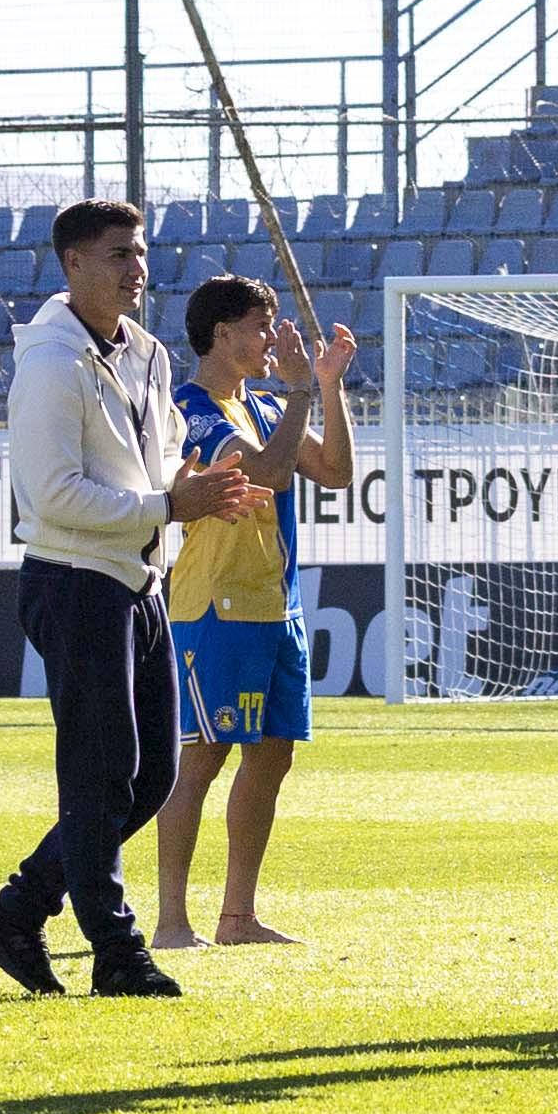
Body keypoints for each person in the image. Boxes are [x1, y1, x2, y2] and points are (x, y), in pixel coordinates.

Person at [0, 201, 264, 1000]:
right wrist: (169, 506)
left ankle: (18, 909)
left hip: (138, 578)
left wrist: (190, 489)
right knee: (101, 777)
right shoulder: (49, 363)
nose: (136, 269)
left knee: (150, 776)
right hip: (73, 580)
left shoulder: (147, 352)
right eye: (117, 254)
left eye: (139, 252)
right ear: (72, 264)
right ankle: (116, 951)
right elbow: (51, 496)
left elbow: (160, 458)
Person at [149, 275, 357, 952]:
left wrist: (326, 386)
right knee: (201, 760)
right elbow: (265, 474)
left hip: (276, 605)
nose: (273, 339)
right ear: (222, 334)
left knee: (271, 759)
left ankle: (237, 917)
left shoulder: (266, 406)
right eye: (261, 326)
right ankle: (171, 921)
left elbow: (335, 471)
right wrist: (299, 393)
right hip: (215, 606)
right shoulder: (189, 410)